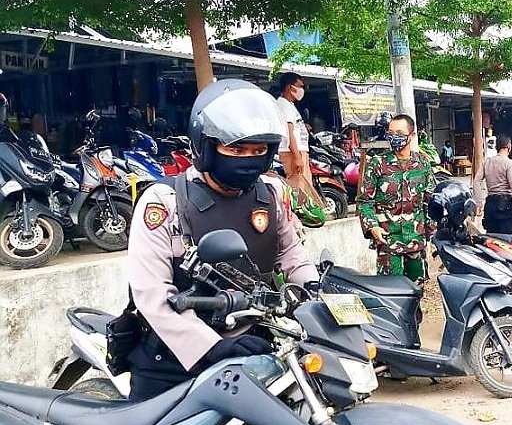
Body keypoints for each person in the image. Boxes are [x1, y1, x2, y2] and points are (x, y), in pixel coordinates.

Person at [124, 79, 318, 401]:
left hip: (254, 341)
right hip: (174, 355)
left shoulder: (270, 194)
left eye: (258, 150)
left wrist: (315, 291)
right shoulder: (165, 201)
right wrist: (211, 347)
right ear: (206, 146)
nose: (249, 159)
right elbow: (151, 293)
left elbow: (291, 254)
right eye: (236, 150)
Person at [358, 113, 436, 282]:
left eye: (399, 133)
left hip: (416, 241)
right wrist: (373, 227)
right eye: (391, 133)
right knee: (390, 293)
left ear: (412, 135)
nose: (394, 137)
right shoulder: (378, 164)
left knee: (416, 291)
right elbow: (364, 202)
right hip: (388, 243)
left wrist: (432, 236)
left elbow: (430, 203)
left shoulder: (422, 164)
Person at [472, 135, 512, 234]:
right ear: (509, 146)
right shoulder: (509, 164)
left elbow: (476, 181)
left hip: (490, 205)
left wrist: (479, 203)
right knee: (508, 239)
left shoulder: (487, 162)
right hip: (505, 208)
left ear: (496, 147)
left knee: (492, 238)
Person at [275, 72, 311, 182]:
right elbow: (289, 132)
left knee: (304, 185)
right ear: (290, 87)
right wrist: (297, 157)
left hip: (297, 151)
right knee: (298, 186)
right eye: (300, 86)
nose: (302, 90)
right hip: (292, 152)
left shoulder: (289, 105)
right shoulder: (284, 105)